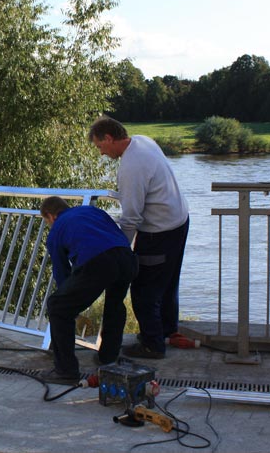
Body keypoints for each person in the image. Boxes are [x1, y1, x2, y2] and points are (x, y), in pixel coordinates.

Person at [88, 116, 190, 359]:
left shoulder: (130, 168)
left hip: (159, 232)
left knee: (144, 290)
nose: (102, 154)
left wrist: (120, 250)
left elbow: (131, 217)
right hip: (179, 221)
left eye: (100, 147)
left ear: (109, 138)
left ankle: (152, 345)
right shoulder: (144, 141)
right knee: (167, 283)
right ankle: (167, 330)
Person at [35, 196, 138, 384]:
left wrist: (70, 305)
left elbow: (62, 274)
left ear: (50, 216)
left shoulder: (57, 229)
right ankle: (108, 357)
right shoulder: (92, 211)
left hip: (99, 262)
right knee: (115, 305)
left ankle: (65, 371)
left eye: (46, 221)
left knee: (57, 306)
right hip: (126, 258)